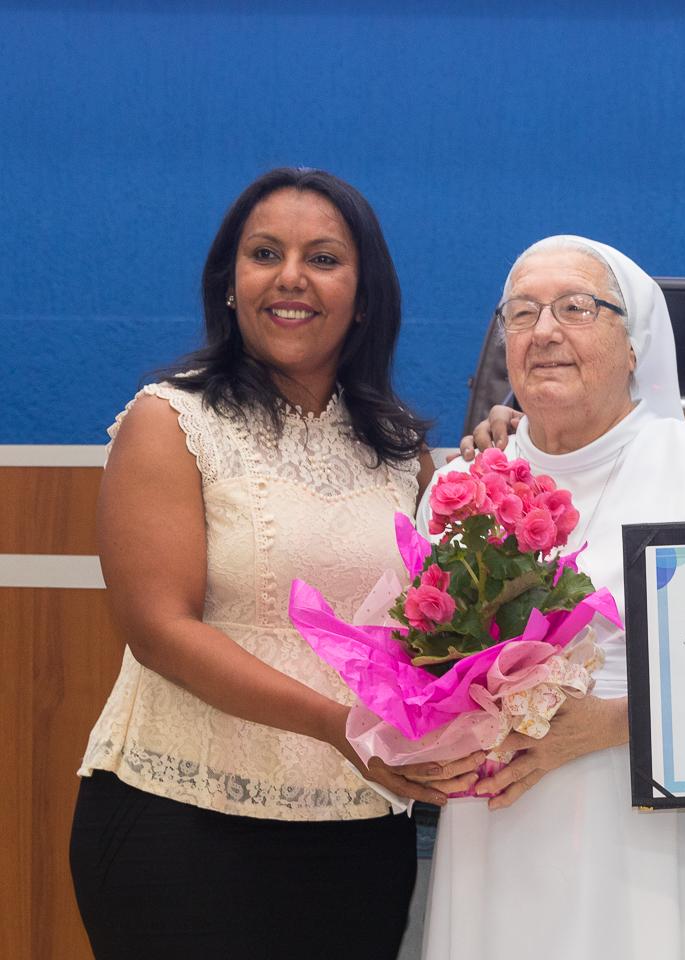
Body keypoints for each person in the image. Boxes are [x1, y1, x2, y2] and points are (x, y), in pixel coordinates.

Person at [69, 167, 480, 960]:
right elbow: (159, 631)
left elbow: (437, 635)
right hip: (180, 822)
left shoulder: (401, 451)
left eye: (323, 258)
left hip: (357, 838)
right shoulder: (170, 421)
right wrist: (339, 727)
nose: (291, 277)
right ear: (230, 283)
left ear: (364, 298)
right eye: (265, 253)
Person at [416, 236, 685, 959]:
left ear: (635, 345)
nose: (546, 331)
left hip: (670, 836)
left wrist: (614, 724)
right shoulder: (458, 489)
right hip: (500, 824)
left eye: (577, 308)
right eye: (522, 313)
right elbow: (416, 665)